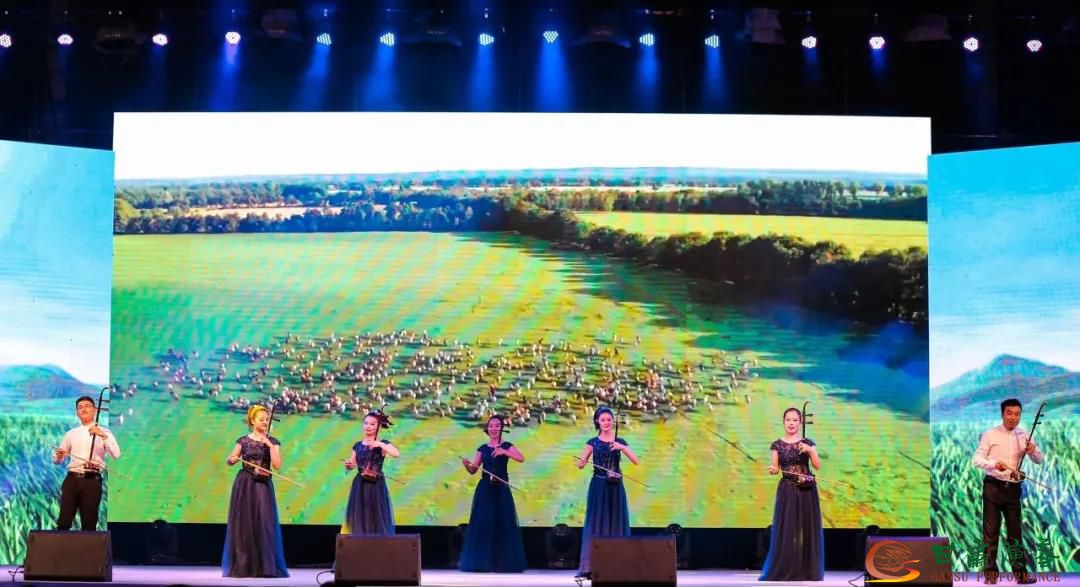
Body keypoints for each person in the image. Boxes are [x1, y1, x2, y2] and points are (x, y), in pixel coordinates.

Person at [971, 398, 1043, 585]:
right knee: (990, 534)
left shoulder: (1024, 434)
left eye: (1017, 414)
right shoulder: (990, 434)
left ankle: (1021, 576)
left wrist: (1033, 450)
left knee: (1015, 534)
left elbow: (1039, 460)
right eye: (1009, 413)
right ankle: (990, 576)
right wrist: (994, 464)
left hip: (1013, 489)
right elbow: (976, 459)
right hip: (993, 487)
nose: (1013, 418)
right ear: (1002, 414)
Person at [222, 405, 288, 578]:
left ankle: (264, 566)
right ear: (252, 421)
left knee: (264, 523)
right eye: (261, 419)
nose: (265, 422)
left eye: (267, 419)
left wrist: (269, 445)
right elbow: (231, 459)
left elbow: (277, 465)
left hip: (262, 484)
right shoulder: (243, 441)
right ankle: (244, 565)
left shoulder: (273, 441)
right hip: (244, 484)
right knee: (244, 524)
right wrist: (232, 459)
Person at [575, 406, 640, 580]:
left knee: (617, 522)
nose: (606, 422)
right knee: (597, 523)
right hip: (598, 486)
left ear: (613, 421)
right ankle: (593, 566)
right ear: (597, 421)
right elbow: (581, 463)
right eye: (603, 420)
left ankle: (617, 566)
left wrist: (622, 447)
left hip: (615, 486)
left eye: (609, 420)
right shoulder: (592, 442)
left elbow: (636, 461)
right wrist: (581, 463)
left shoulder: (620, 441)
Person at [759, 407, 824, 581]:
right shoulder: (777, 445)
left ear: (800, 422)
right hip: (787, 489)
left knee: (807, 529)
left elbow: (818, 466)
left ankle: (806, 569)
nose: (791, 423)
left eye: (795, 420)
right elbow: (776, 468)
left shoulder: (808, 442)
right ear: (783, 421)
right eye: (788, 420)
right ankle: (787, 567)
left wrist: (810, 451)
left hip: (806, 490)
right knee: (788, 529)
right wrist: (773, 470)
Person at [458, 415, 527, 572]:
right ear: (487, 429)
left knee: (503, 524)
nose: (494, 428)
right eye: (491, 426)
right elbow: (473, 470)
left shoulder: (507, 446)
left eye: (497, 425)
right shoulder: (482, 449)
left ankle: (501, 563)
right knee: (484, 524)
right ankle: (482, 562)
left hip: (501, 489)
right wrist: (467, 465)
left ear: (502, 428)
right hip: (485, 490)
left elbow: (521, 458)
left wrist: (504, 452)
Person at [53, 395, 121, 531]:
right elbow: (56, 460)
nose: (83, 409)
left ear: (95, 410)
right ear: (77, 412)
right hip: (72, 479)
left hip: (92, 481)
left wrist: (103, 436)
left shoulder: (105, 432)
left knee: (89, 523)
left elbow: (116, 454)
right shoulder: (71, 434)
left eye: (87, 406)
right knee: (64, 521)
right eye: (80, 407)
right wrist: (58, 455)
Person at [341, 410, 400, 535]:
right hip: (360, 485)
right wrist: (349, 465)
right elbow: (352, 464)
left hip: (376, 485)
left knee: (376, 515)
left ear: (379, 426)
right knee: (360, 515)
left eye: (372, 424)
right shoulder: (358, 445)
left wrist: (379, 444)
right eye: (366, 423)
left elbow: (396, 454)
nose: (368, 426)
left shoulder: (383, 443)